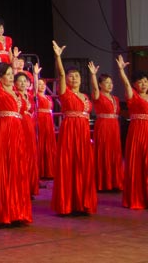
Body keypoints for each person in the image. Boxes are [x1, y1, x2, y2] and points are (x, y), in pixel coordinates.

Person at [0, 21, 31, 225]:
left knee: (18, 170)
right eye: (8, 75)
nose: (12, 77)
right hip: (3, 132)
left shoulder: (18, 93)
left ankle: (18, 211)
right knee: (4, 169)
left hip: (17, 132)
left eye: (12, 74)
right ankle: (3, 213)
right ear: (1, 77)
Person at [51, 41, 97, 215]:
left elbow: (96, 93)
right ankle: (68, 203)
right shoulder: (65, 93)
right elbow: (61, 75)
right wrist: (58, 57)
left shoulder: (85, 96)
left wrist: (93, 76)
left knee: (83, 166)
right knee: (69, 165)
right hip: (70, 133)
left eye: (77, 76)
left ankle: (82, 203)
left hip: (83, 135)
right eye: (71, 76)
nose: (74, 78)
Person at [116, 55, 148, 209]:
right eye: (140, 82)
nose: (144, 84)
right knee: (138, 164)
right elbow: (126, 84)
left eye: (146, 81)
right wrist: (122, 71)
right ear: (135, 84)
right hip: (138, 132)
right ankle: (138, 197)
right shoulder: (133, 96)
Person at [89, 63, 124, 192]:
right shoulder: (98, 96)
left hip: (114, 126)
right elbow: (94, 88)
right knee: (104, 152)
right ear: (100, 84)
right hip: (103, 126)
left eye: (111, 83)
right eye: (107, 82)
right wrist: (93, 75)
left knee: (115, 153)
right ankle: (103, 183)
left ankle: (115, 182)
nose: (110, 85)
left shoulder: (116, 98)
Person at [15, 70, 40, 197]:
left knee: (30, 156)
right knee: (22, 156)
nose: (23, 83)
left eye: (25, 81)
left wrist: (35, 75)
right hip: (19, 125)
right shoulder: (15, 95)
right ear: (15, 84)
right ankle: (21, 187)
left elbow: (35, 90)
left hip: (30, 126)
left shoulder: (29, 96)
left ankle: (30, 186)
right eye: (20, 81)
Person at [36, 79, 57, 180]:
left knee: (49, 143)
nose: (42, 86)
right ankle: (41, 170)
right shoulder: (36, 97)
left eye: (43, 84)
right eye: (39, 84)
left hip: (49, 120)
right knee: (41, 142)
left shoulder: (48, 97)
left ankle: (49, 170)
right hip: (40, 119)